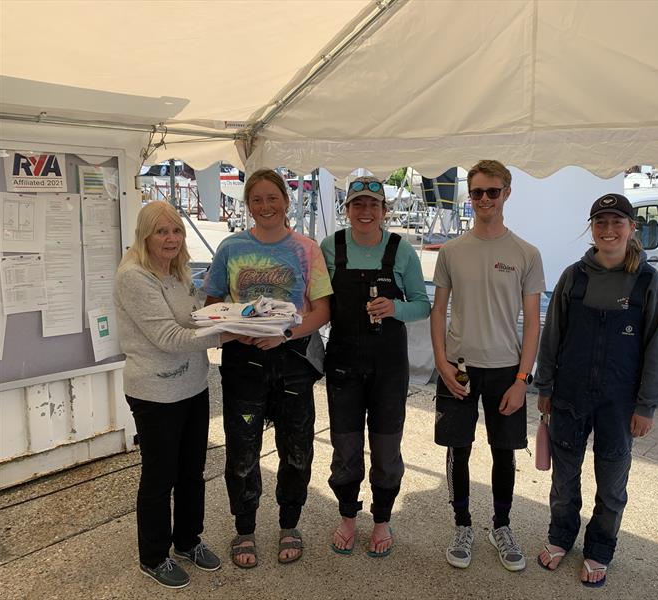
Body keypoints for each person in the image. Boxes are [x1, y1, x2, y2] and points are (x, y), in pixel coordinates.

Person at [533, 193, 658, 588]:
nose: (609, 230)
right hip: (569, 395)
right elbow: (552, 334)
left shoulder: (648, 281)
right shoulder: (574, 276)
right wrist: (545, 386)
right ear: (591, 227)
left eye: (617, 222)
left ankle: (599, 549)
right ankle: (560, 537)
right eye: (601, 222)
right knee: (564, 477)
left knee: (611, 483)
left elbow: (657, 347)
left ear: (631, 228)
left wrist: (647, 405)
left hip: (619, 401)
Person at [204, 169, 332, 567]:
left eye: (272, 198)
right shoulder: (231, 248)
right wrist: (233, 328)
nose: (265, 207)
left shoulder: (307, 249)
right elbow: (213, 305)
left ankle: (289, 523)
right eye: (256, 200)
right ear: (247, 205)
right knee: (243, 451)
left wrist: (286, 334)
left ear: (286, 201)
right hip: (244, 362)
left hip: (293, 359)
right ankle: (245, 529)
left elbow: (323, 310)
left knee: (297, 450)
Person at [115, 201, 239, 589]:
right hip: (154, 393)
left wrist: (236, 313)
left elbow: (194, 317)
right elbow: (169, 338)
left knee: (191, 472)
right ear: (144, 235)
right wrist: (230, 334)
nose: (171, 239)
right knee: (159, 476)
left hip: (193, 386)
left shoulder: (177, 272)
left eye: (177, 231)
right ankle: (153, 556)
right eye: (161, 232)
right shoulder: (134, 277)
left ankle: (188, 541)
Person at [430, 159, 545, 572]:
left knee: (504, 451)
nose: (483, 199)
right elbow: (438, 310)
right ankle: (462, 524)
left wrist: (522, 380)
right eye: (476, 192)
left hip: (504, 370)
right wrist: (441, 364)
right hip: (459, 366)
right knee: (458, 450)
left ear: (506, 193)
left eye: (492, 192)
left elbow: (533, 322)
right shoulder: (452, 250)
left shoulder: (525, 253)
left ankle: (502, 525)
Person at [320, 176, 431, 558]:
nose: (365, 212)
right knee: (345, 445)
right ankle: (348, 514)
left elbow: (422, 304)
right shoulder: (330, 247)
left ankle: (382, 517)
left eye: (373, 205)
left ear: (385, 211)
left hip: (388, 366)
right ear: (347, 209)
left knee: (386, 447)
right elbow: (317, 303)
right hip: (343, 364)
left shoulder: (401, 250)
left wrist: (395, 308)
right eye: (357, 205)